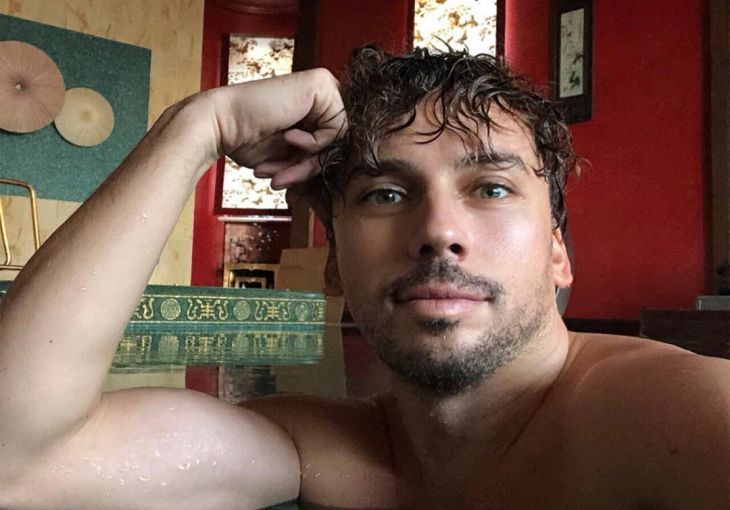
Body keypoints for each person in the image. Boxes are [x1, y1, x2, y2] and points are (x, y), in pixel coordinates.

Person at [1, 46, 728, 510]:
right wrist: (196, 127)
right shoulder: (321, 452)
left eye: (491, 188)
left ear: (558, 253)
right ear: (333, 268)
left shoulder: (669, 415)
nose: (438, 230)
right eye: (385, 193)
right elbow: (17, 463)